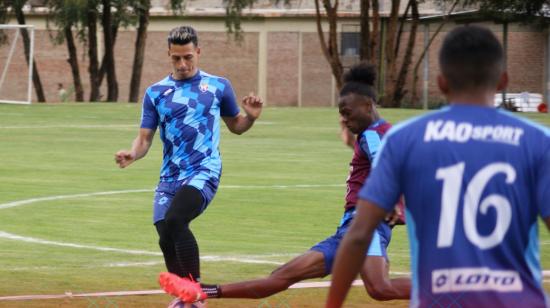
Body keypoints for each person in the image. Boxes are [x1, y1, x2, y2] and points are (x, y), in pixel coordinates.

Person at [327, 25, 550, 308]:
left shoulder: (404, 139)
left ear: (442, 83)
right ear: (503, 81)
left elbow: (359, 235)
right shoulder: (539, 142)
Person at [158, 63, 411, 304]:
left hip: (366, 227)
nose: (344, 119)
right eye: (341, 114)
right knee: (281, 276)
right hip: (348, 232)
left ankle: (445, 288)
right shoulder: (376, 133)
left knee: (379, 287)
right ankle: (202, 292)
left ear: (367, 105)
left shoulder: (371, 135)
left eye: (347, 112)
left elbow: (382, 167)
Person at [114, 25, 263, 305]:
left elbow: (236, 126)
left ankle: (195, 295)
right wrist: (132, 154)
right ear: (169, 55)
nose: (183, 64)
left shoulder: (218, 86)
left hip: (204, 171)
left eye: (188, 57)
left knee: (176, 220)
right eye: (176, 58)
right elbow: (144, 139)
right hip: (170, 176)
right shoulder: (156, 93)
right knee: (164, 233)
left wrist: (251, 117)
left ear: (198, 52)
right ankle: (186, 295)